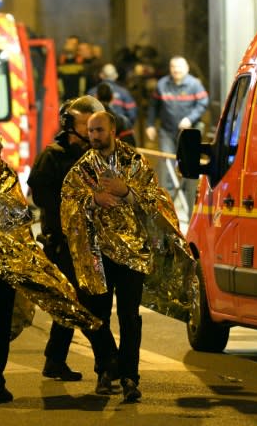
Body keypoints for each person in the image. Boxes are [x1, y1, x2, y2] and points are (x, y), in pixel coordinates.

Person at [0, 124, 99, 405]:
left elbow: (17, 210)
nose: (1, 147)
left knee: (1, 321)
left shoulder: (5, 172)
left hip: (5, 260)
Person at [61, 111, 191, 403]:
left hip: (133, 254)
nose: (93, 136)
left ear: (112, 130)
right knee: (97, 315)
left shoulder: (135, 162)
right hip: (97, 254)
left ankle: (130, 377)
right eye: (90, 131)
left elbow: (157, 200)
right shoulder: (83, 168)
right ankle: (106, 370)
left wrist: (127, 192)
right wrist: (93, 200)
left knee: (130, 317)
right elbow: (67, 202)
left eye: (99, 130)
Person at [28, 95, 119, 384]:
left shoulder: (96, 155)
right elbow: (41, 197)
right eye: (87, 125)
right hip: (65, 242)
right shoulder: (53, 156)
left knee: (73, 302)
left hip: (97, 240)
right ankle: (109, 363)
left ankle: (55, 361)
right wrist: (80, 202)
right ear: (71, 126)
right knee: (86, 303)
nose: (93, 130)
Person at [145, 56, 209, 210]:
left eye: (179, 67)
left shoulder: (194, 85)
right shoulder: (162, 84)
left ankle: (189, 202)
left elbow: (203, 103)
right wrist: (150, 125)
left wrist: (190, 118)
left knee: (188, 166)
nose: (176, 70)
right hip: (167, 131)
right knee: (166, 165)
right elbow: (153, 106)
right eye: (173, 67)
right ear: (170, 69)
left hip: (188, 132)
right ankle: (167, 204)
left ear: (186, 68)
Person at [96, 82, 136, 146]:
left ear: (96, 97)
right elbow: (130, 148)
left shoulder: (88, 120)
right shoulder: (123, 121)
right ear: (112, 97)